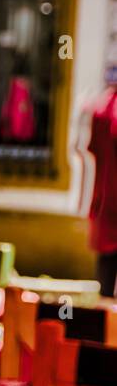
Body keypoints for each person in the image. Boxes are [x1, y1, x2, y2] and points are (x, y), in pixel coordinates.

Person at [85, 79, 117, 297]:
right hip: (109, 201)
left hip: (105, 201)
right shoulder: (105, 109)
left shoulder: (101, 107)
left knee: (105, 276)